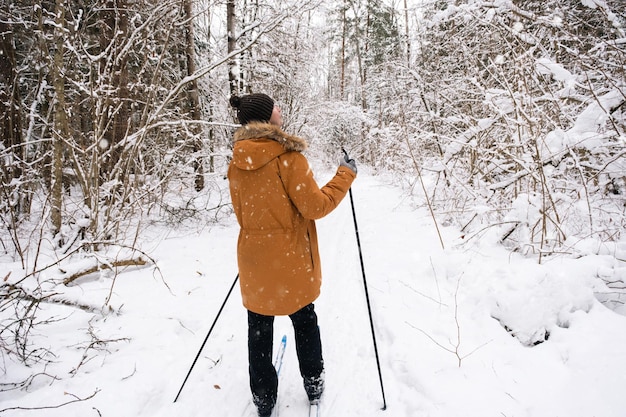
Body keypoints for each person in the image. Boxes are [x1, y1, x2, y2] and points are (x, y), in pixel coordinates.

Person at [227, 93, 357, 417]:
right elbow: (316, 206)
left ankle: (263, 398)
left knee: (259, 327)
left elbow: (243, 212)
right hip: (291, 260)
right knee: (304, 320)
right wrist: (344, 175)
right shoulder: (288, 157)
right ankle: (313, 381)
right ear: (266, 117)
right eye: (275, 107)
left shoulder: (236, 161)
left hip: (255, 260)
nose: (280, 110)